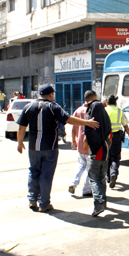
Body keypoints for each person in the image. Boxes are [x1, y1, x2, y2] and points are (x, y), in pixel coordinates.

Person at [16, 84, 99, 212]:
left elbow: (21, 127)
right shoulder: (53, 107)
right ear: (50, 95)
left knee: (33, 172)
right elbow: (69, 119)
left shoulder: (28, 107)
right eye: (53, 94)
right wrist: (87, 122)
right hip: (50, 147)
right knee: (46, 175)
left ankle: (32, 199)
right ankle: (44, 203)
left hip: (33, 147)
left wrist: (20, 142)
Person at [83, 90, 112, 217]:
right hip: (105, 150)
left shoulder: (90, 113)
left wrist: (87, 146)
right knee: (101, 178)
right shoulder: (105, 118)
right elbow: (110, 138)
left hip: (95, 151)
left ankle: (99, 204)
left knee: (93, 178)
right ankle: (103, 202)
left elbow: (86, 137)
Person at [105, 94, 129, 188]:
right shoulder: (119, 111)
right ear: (115, 102)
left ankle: (109, 178)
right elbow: (125, 125)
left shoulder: (104, 110)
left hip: (106, 137)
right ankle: (114, 173)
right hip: (116, 137)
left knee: (107, 157)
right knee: (115, 157)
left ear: (106, 103)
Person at [68, 101, 92, 197]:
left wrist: (73, 141)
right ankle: (86, 189)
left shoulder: (77, 111)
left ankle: (73, 184)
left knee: (81, 165)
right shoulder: (92, 111)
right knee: (89, 168)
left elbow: (73, 129)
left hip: (80, 144)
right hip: (89, 144)